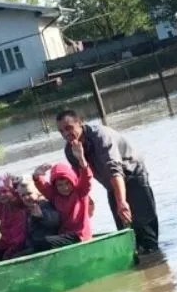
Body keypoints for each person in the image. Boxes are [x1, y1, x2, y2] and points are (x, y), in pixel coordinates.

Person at [55, 109, 159, 253]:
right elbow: (80, 180)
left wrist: (121, 202)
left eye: (68, 128)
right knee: (125, 232)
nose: (66, 134)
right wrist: (86, 203)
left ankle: (155, 260)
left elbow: (114, 170)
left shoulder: (101, 136)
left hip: (132, 176)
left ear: (80, 123)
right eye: (61, 131)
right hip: (111, 185)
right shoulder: (70, 150)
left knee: (145, 231)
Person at [32, 139, 93, 248]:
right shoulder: (55, 195)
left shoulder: (80, 192)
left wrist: (81, 159)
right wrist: (37, 175)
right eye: (60, 185)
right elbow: (42, 185)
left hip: (79, 235)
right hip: (64, 235)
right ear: (55, 186)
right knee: (38, 240)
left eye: (67, 183)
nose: (64, 187)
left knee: (45, 241)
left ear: (72, 181)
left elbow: (86, 178)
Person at [13, 176, 61, 255]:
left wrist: (42, 216)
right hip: (35, 245)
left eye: (29, 193)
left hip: (47, 246)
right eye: (23, 195)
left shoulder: (45, 204)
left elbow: (56, 220)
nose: (26, 197)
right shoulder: (29, 209)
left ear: (38, 192)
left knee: (17, 257)